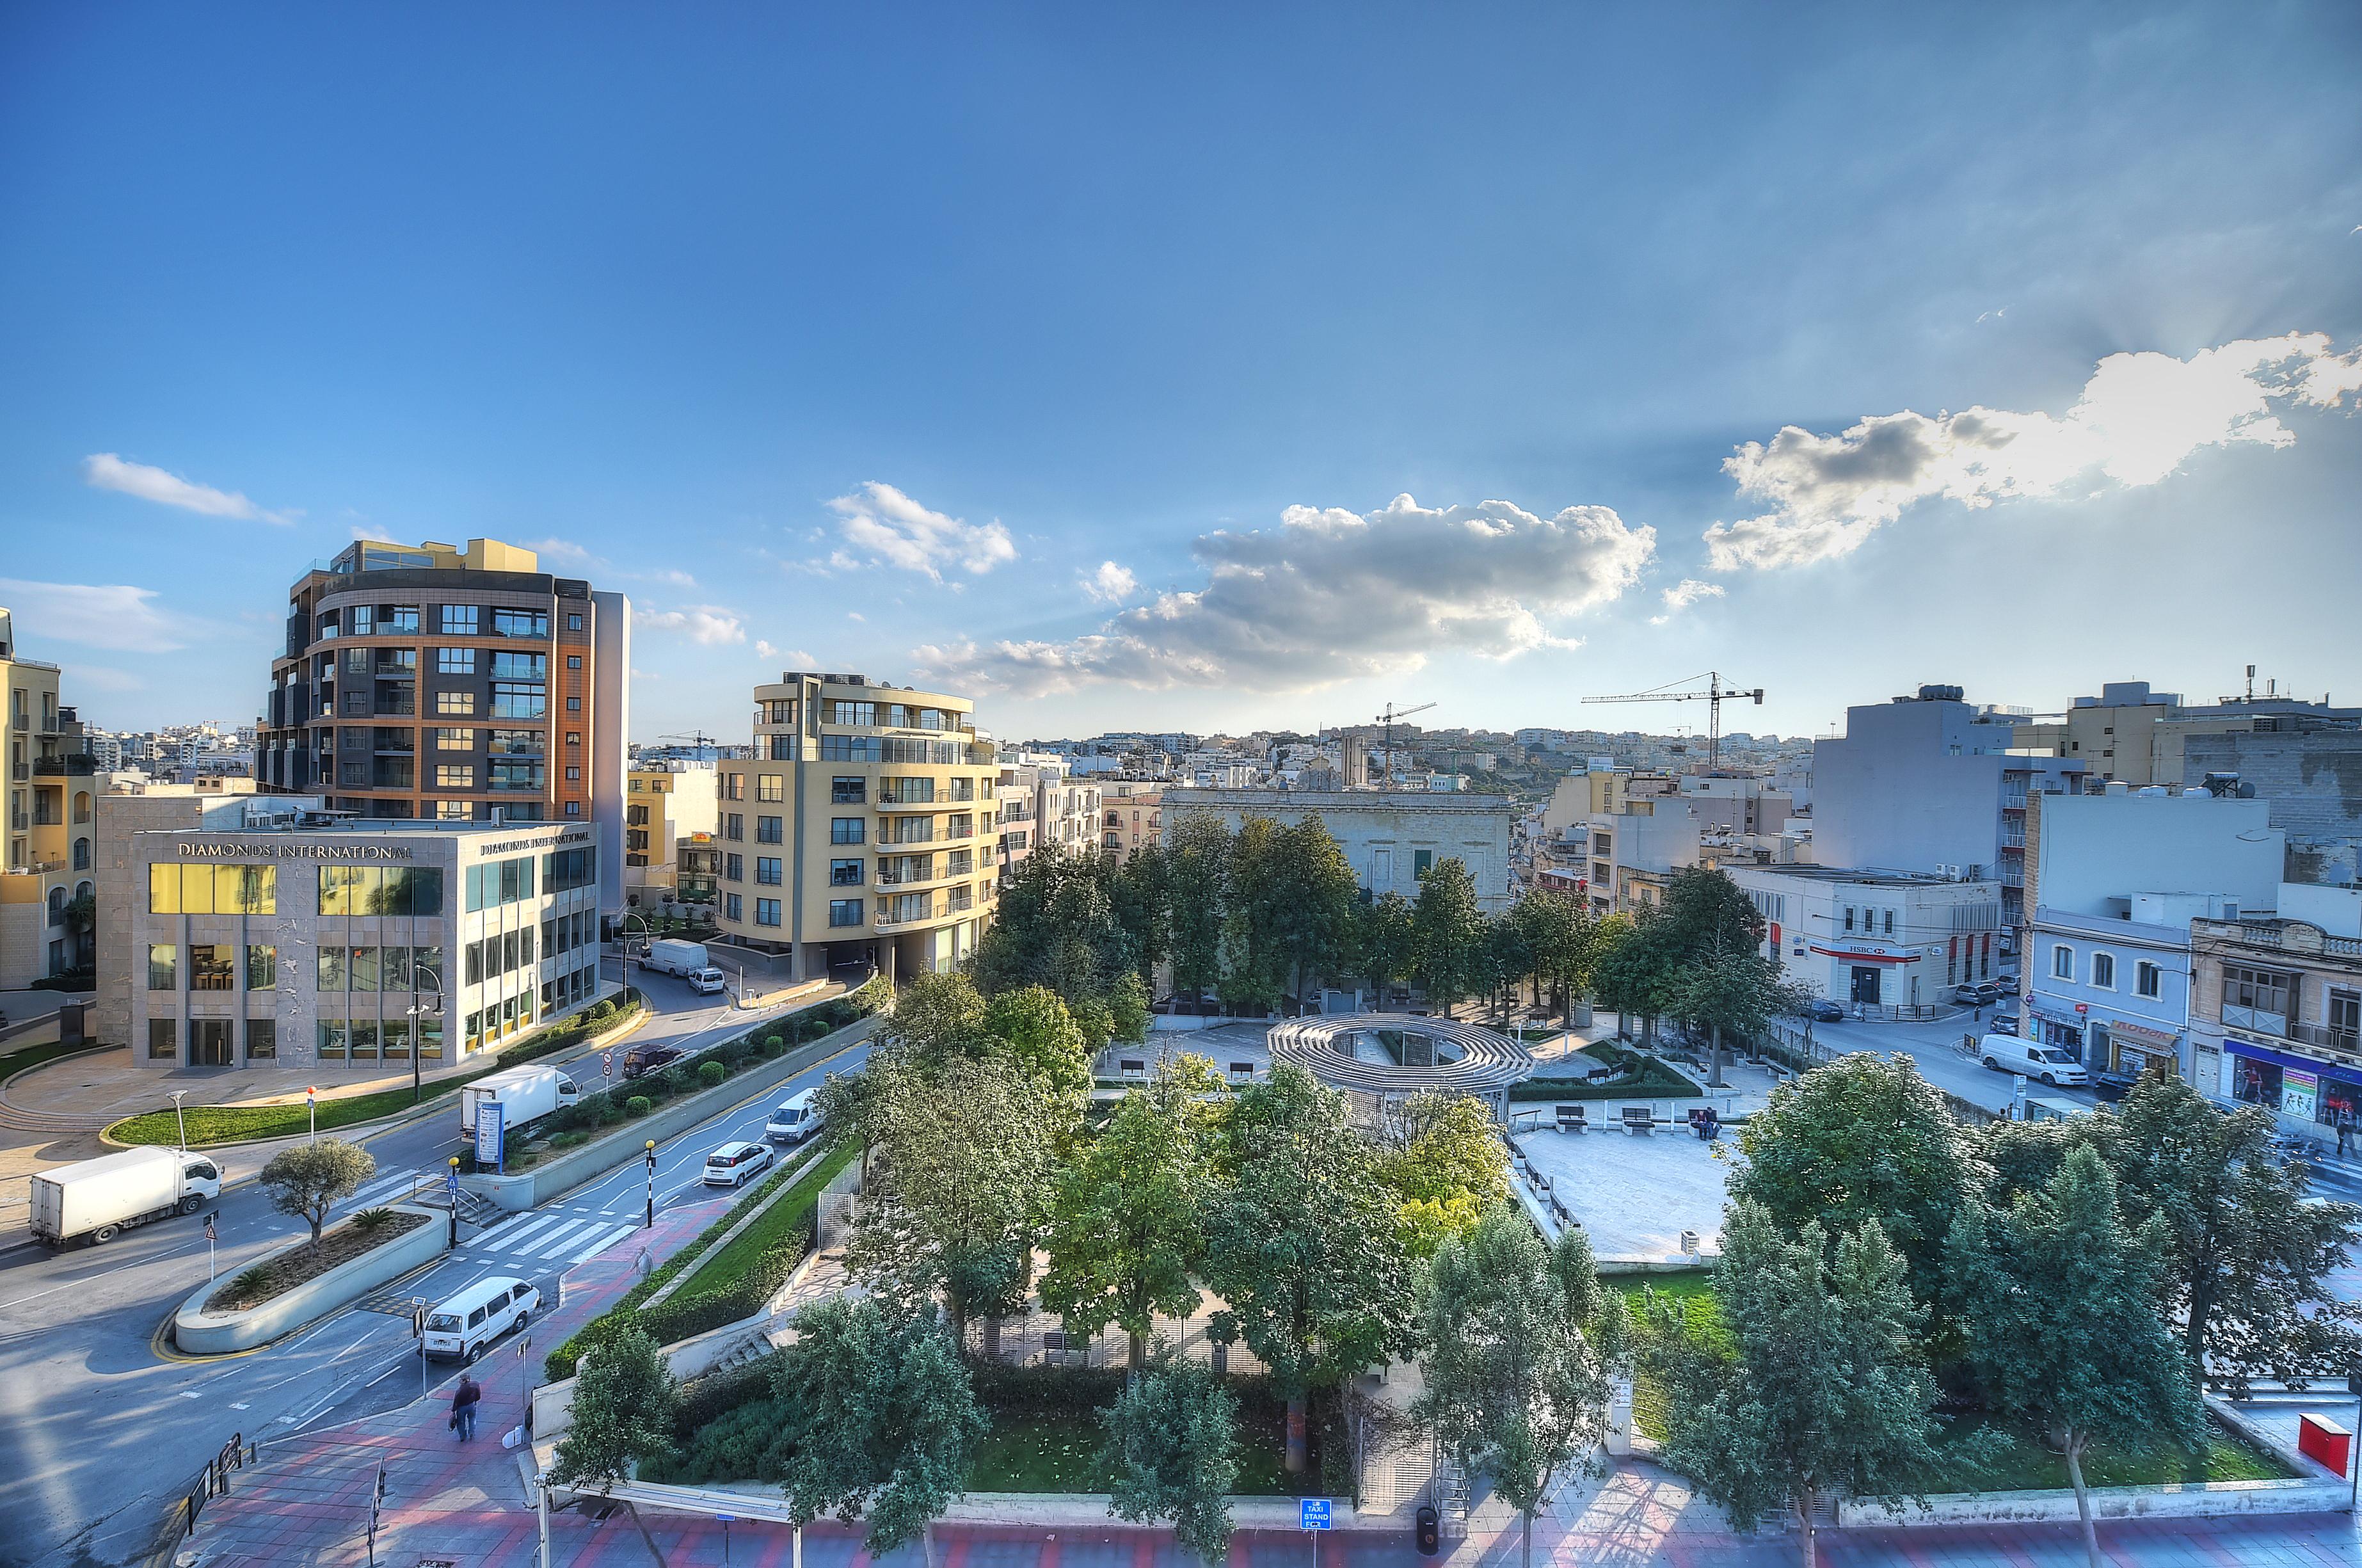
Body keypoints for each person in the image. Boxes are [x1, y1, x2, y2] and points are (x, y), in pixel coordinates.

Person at [451, 1374, 482, 1443]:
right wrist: (475, 1400)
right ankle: (472, 1432)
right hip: (472, 1405)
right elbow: (478, 1395)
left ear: (465, 1381)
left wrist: (453, 1411)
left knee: (461, 1422)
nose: (459, 1381)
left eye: (461, 1380)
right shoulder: (475, 1385)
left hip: (462, 1408)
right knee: (472, 1418)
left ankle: (462, 1436)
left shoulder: (459, 1391)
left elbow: (456, 1401)